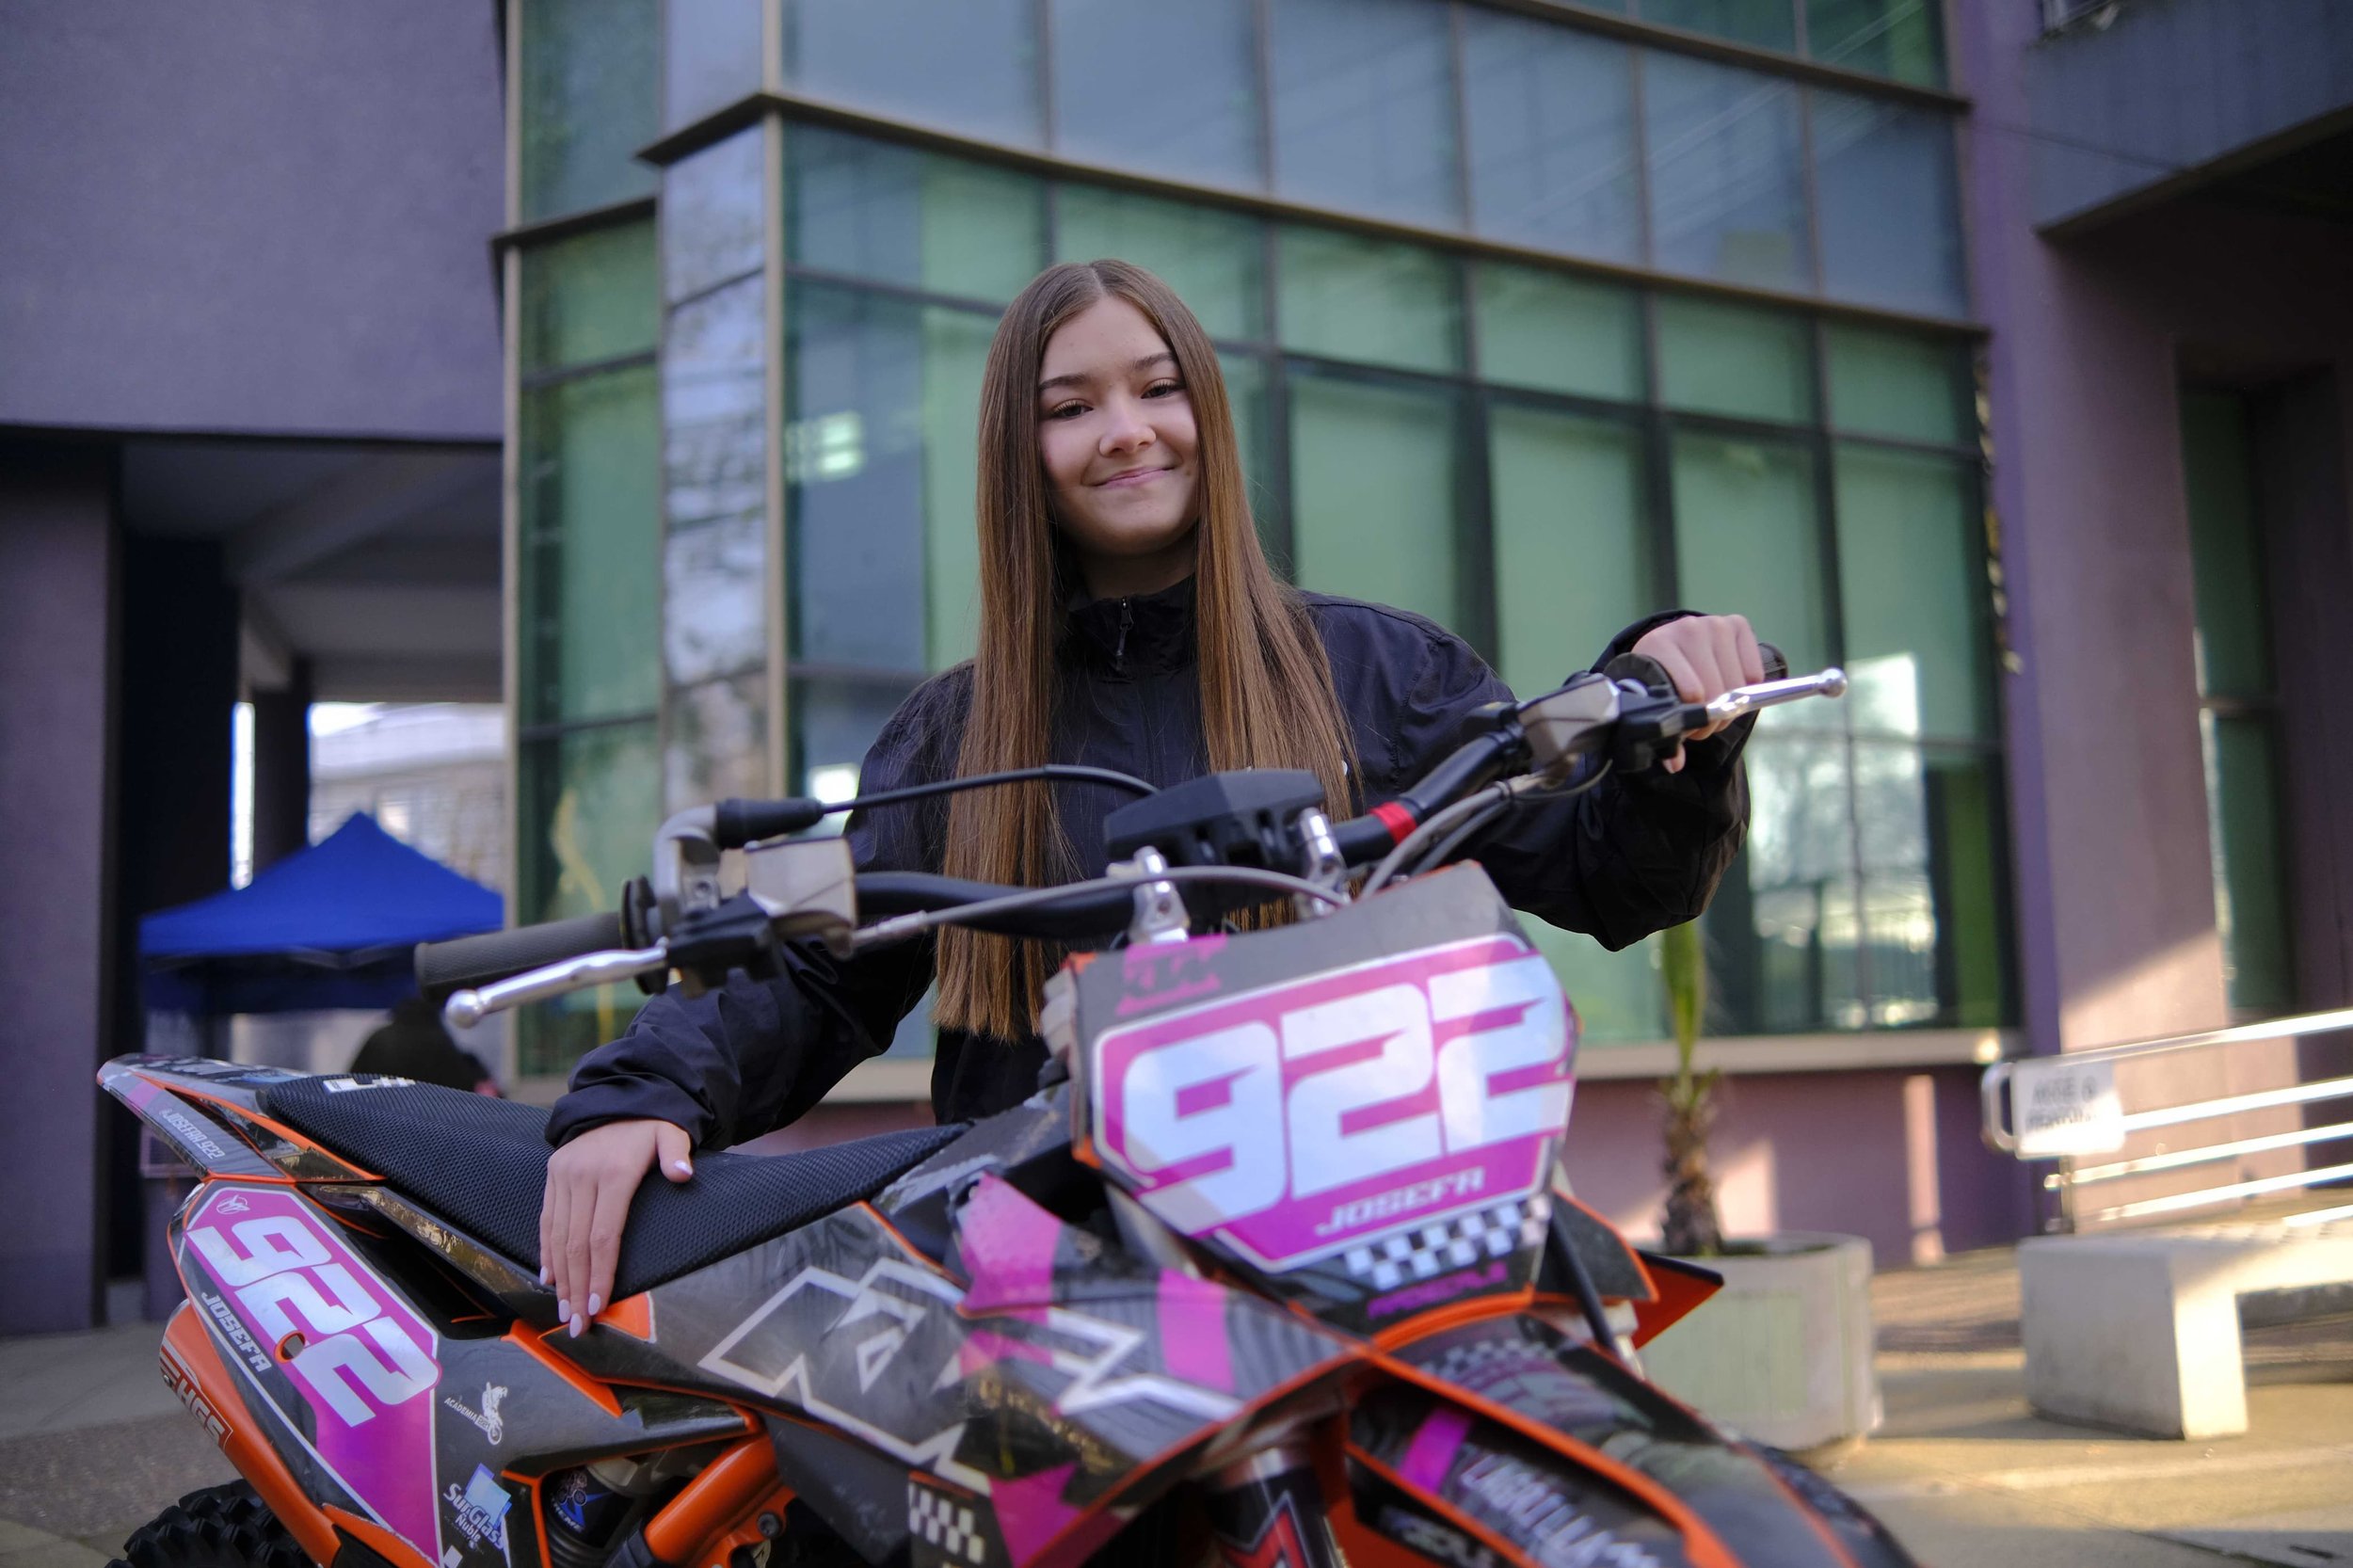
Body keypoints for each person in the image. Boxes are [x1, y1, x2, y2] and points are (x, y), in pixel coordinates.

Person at [536, 259, 1766, 1334]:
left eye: (1157, 386)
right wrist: (642, 1091)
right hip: (1053, 1307)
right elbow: (818, 975)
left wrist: (1679, 730)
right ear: (1021, 456)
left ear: (1208, 414)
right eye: (1070, 406)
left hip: (1360, 1256)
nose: (1124, 429)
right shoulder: (950, 738)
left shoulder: (1379, 674)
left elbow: (1618, 878)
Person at [352, 993, 501, 1096]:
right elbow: (465, 1088)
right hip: (432, 1129)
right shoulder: (440, 1041)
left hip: (379, 1126)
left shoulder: (379, 1039)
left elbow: (349, 1083)